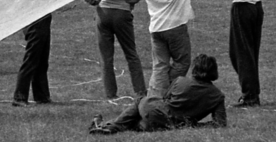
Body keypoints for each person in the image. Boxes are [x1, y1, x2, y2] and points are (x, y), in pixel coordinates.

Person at [125, 0, 203, 98]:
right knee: (182, 62)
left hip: (156, 29)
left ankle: (154, 96)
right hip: (175, 26)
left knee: (160, 66)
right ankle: (168, 92)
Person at [89, 53, 227, 134]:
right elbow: (220, 123)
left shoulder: (180, 81)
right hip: (174, 124)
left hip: (159, 113)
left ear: (195, 69)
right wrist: (192, 124)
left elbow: (165, 99)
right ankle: (107, 126)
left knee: (140, 101)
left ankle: (110, 126)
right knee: (141, 123)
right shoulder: (217, 96)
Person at [83, 0, 146, 100]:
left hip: (103, 14)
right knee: (131, 54)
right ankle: (140, 92)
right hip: (122, 13)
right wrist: (135, 0)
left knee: (106, 58)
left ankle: (110, 95)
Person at [12, 0, 52, 106]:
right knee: (31, 60)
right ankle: (19, 97)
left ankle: (41, 96)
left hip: (44, 19)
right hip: (33, 21)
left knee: (42, 61)